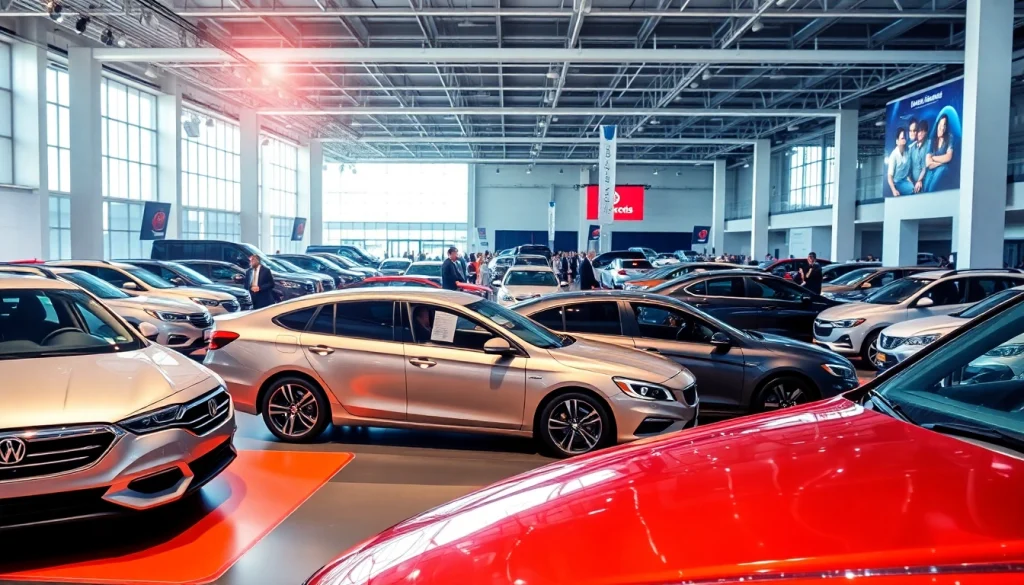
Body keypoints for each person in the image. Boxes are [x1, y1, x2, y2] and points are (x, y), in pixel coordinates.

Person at [924, 113, 955, 192]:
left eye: (944, 125)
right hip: (932, 168)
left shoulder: (949, 137)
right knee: (925, 188)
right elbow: (928, 164)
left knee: (931, 188)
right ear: (937, 125)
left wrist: (933, 158)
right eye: (940, 125)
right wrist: (941, 162)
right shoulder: (931, 140)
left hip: (943, 168)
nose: (942, 128)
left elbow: (948, 157)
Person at [886, 127, 914, 197]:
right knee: (912, 190)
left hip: (905, 180)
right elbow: (890, 176)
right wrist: (894, 190)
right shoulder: (893, 155)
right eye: (902, 138)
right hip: (897, 183)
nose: (904, 139)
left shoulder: (907, 151)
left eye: (905, 137)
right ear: (897, 141)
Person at [909, 119, 929, 194]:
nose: (920, 134)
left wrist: (919, 180)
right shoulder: (911, 148)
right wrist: (911, 184)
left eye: (923, 131)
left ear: (926, 132)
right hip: (913, 185)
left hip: (924, 183)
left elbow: (925, 166)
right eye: (919, 131)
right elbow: (909, 168)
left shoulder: (928, 145)